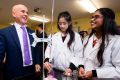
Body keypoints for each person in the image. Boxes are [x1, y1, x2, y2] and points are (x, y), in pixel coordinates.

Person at [0, 4, 41, 80]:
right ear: (14, 14)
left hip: (32, 73)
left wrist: (37, 62)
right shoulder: (4, 33)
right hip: (13, 75)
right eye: (23, 11)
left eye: (27, 13)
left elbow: (36, 50)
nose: (26, 14)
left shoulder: (32, 33)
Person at [79, 8, 120, 79]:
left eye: (96, 17)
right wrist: (81, 67)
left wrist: (94, 73)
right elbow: (83, 58)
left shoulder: (116, 40)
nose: (92, 20)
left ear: (107, 19)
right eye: (92, 17)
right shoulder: (87, 39)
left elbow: (118, 70)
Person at [44, 11, 83, 80]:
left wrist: (71, 68)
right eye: (60, 23)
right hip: (55, 70)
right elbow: (49, 50)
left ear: (69, 23)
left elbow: (78, 54)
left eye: (64, 23)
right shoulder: (54, 36)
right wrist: (46, 60)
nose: (62, 26)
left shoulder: (76, 36)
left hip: (69, 71)